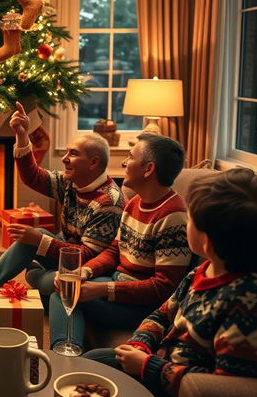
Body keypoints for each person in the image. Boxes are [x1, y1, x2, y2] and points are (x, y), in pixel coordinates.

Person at [84, 168, 257, 397]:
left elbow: (219, 392)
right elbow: (162, 314)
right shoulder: (200, 271)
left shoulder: (245, 304)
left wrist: (148, 367)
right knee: (89, 363)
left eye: (190, 220)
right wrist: (140, 344)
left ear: (207, 242)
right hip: (156, 363)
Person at [0, 101, 124, 315]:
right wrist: (22, 135)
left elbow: (89, 256)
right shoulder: (72, 182)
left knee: (38, 271)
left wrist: (39, 242)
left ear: (93, 163)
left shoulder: (108, 202)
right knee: (33, 260)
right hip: (66, 254)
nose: (65, 158)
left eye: (73, 154)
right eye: (66, 152)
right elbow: (33, 177)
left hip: (89, 270)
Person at [48, 133, 192, 351]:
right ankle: (64, 350)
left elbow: (164, 288)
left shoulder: (173, 216)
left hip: (140, 306)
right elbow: (114, 251)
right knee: (68, 286)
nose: (124, 163)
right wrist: (84, 272)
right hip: (116, 282)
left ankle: (64, 356)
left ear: (148, 169)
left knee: (63, 296)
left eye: (131, 157)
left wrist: (104, 289)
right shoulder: (135, 203)